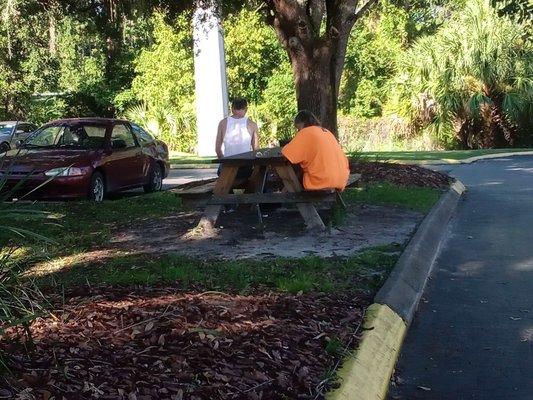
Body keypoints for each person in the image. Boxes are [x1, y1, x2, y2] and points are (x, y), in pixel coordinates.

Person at [281, 110, 349, 191]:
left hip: (321, 181)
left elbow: (287, 155)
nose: (298, 131)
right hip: (341, 179)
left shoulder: (306, 132)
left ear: (302, 123)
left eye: (298, 128)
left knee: (290, 173)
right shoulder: (326, 132)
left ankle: (287, 198)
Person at [215, 98, 259, 180]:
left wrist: (224, 163)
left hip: (226, 168)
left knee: (222, 176)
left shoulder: (222, 123)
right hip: (245, 169)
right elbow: (256, 150)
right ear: (246, 109)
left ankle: (227, 191)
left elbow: (217, 149)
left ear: (232, 109)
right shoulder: (252, 124)